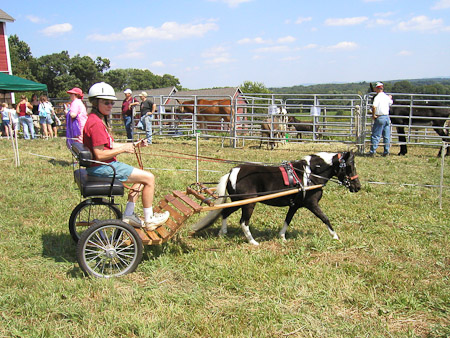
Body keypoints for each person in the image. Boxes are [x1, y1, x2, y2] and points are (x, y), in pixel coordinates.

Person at [83, 82, 169, 230]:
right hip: (102, 167)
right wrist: (123, 148)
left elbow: (109, 146)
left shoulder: (96, 120)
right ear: (95, 102)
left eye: (112, 102)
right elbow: (99, 155)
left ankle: (129, 214)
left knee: (140, 178)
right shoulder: (96, 123)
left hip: (102, 166)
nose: (110, 105)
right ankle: (149, 220)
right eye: (106, 102)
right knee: (149, 178)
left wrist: (134, 144)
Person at [369, 82, 393, 156]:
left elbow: (374, 106)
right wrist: (390, 97)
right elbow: (390, 102)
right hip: (386, 117)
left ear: (377, 89)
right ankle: (386, 151)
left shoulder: (377, 97)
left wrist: (373, 115)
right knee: (386, 135)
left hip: (380, 117)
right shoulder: (386, 97)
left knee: (376, 135)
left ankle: (373, 151)